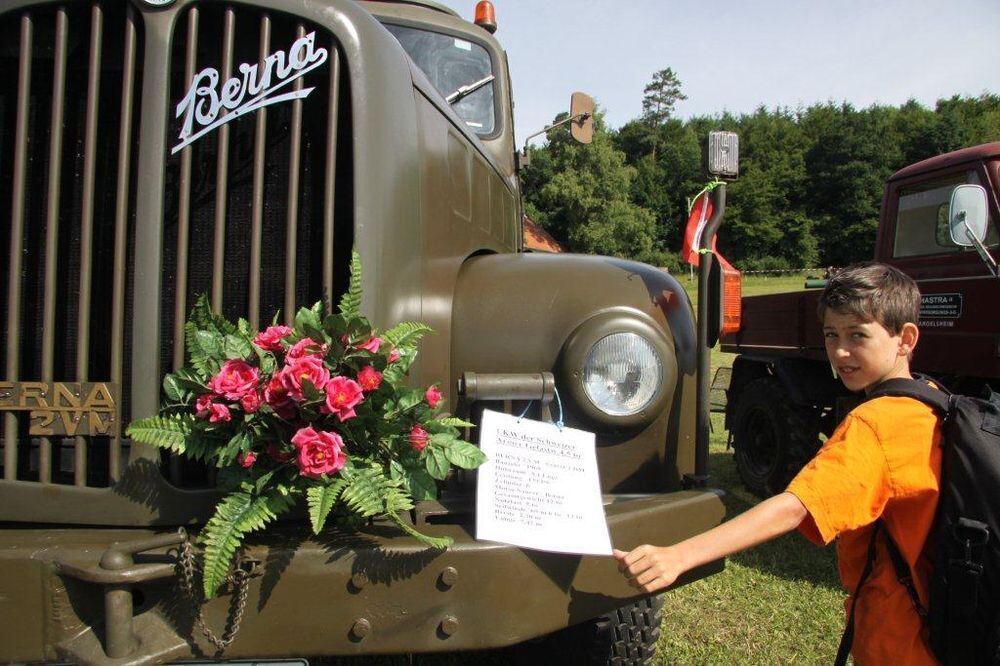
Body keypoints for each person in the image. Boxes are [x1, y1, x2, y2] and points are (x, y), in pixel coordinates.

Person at [614, 262, 941, 665]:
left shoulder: (874, 426)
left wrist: (679, 556)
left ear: (905, 338)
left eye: (858, 336)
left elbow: (795, 506)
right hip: (942, 617)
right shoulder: (930, 397)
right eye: (831, 335)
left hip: (900, 636)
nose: (840, 351)